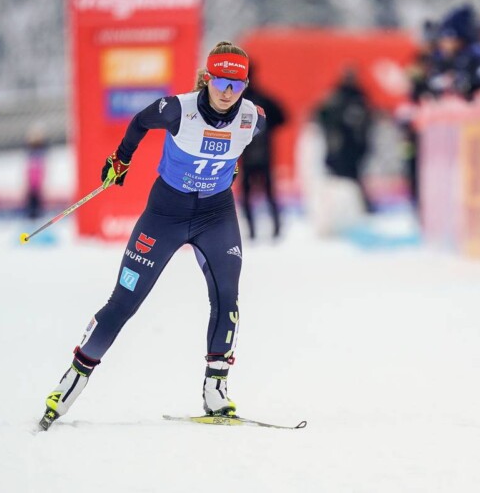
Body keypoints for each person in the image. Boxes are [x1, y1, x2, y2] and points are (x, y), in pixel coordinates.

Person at [38, 41, 266, 431]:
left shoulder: (254, 117)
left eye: (237, 83)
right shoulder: (179, 109)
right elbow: (140, 122)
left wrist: (229, 172)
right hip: (165, 215)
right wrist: (120, 159)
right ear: (208, 79)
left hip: (216, 215)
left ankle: (216, 390)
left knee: (227, 297)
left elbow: (237, 149)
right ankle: (70, 383)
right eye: (221, 81)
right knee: (124, 302)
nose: (228, 92)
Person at [316, 68, 374, 213]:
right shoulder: (337, 97)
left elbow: (367, 122)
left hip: (353, 148)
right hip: (340, 147)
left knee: (352, 180)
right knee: (339, 181)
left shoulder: (359, 97)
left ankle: (358, 208)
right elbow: (323, 118)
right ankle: (338, 209)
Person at [239, 68, 286, 240]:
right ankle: (274, 229)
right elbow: (282, 117)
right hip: (262, 156)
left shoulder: (240, 102)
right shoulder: (262, 99)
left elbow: (282, 117)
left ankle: (256, 231)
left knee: (251, 195)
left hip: (249, 156)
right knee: (267, 193)